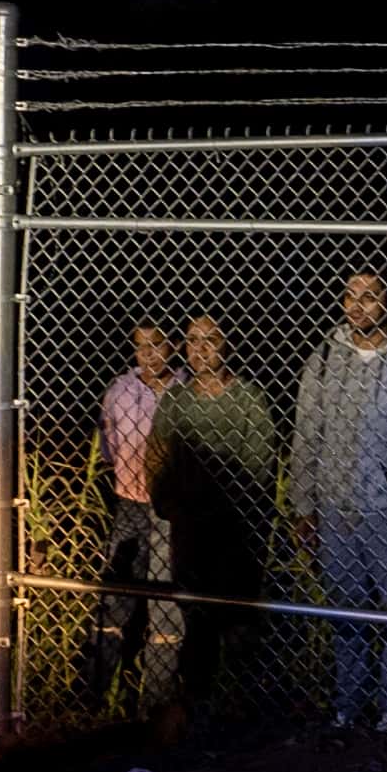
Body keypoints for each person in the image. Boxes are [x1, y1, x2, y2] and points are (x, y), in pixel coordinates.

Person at [288, 267, 387, 731]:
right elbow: (306, 438)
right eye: (350, 295)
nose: (358, 305)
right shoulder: (323, 360)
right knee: (346, 613)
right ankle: (346, 708)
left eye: (370, 297)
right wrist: (303, 507)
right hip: (336, 508)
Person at [142, 312, 283, 736]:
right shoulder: (178, 400)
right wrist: (167, 501)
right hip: (190, 526)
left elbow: (260, 466)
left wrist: (230, 508)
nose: (200, 349)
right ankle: (196, 704)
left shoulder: (247, 400)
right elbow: (157, 455)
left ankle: (244, 708)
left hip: (233, 530)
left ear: (227, 345)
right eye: (191, 340)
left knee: (237, 621)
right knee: (195, 619)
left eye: (210, 340)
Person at [93, 319, 185, 708]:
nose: (147, 355)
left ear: (174, 346)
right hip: (130, 502)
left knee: (166, 604)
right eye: (140, 346)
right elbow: (107, 447)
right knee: (116, 597)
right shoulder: (119, 390)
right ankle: (94, 692)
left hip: (172, 510)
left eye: (157, 345)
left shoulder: (186, 391)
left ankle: (157, 700)